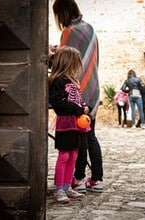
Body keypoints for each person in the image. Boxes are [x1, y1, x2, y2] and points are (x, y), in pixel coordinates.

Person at [52, 0, 103, 193]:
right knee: (89, 135)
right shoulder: (90, 29)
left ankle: (79, 178)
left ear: (62, 12)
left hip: (75, 89)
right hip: (93, 87)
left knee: (77, 135)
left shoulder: (69, 32)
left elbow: (61, 63)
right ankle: (97, 179)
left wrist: (52, 54)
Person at [49, 46, 87, 204]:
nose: (78, 67)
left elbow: (76, 100)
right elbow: (58, 103)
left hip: (76, 124)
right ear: (68, 63)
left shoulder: (73, 81)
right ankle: (59, 189)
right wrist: (79, 109)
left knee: (74, 155)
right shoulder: (58, 81)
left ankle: (67, 186)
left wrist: (85, 107)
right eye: (76, 64)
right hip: (65, 123)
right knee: (64, 155)